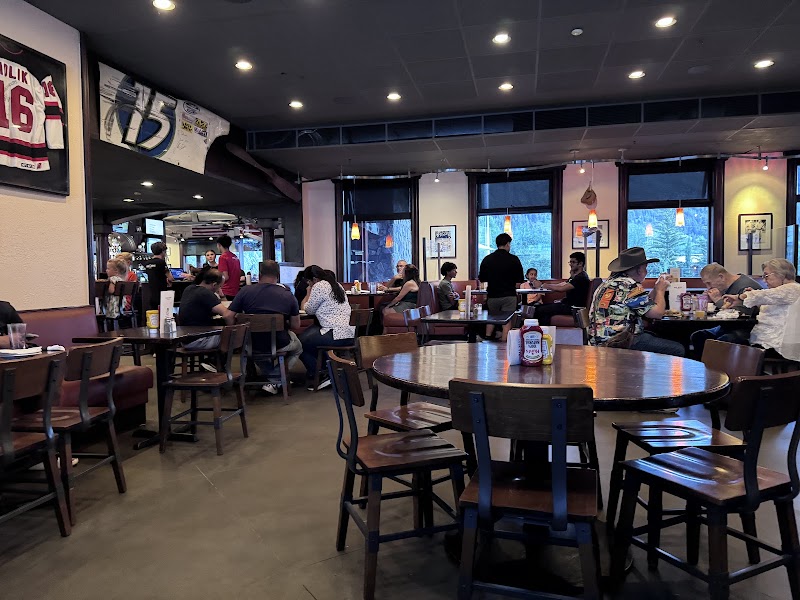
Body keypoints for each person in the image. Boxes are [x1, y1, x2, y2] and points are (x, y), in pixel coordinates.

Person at [589, 247, 684, 357]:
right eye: (645, 268)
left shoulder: (611, 282)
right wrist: (661, 290)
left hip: (601, 340)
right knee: (678, 349)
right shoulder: (629, 285)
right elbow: (657, 313)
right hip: (619, 342)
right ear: (639, 270)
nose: (646, 272)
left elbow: (644, 304)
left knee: (654, 336)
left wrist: (656, 287)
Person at [229, 260, 302, 395]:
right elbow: (295, 325)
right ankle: (276, 378)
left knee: (253, 349)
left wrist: (238, 329)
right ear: (278, 275)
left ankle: (272, 379)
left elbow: (228, 316)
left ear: (259, 274)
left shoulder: (245, 291)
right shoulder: (287, 294)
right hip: (279, 342)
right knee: (298, 348)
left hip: (251, 343)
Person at [720, 258, 800, 360]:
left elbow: (763, 295)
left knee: (727, 342)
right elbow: (767, 302)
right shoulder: (780, 292)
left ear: (781, 274)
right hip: (765, 341)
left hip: (776, 345)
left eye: (766, 276)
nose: (764, 280)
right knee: (726, 340)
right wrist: (747, 298)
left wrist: (740, 296)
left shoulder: (793, 288)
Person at [689, 262, 762, 358]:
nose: (708, 287)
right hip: (727, 327)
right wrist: (710, 301)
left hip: (746, 329)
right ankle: (704, 365)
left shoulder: (745, 287)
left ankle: (719, 366)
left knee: (721, 341)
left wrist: (717, 300)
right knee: (698, 336)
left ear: (721, 277)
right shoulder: (725, 286)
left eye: (709, 283)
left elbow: (740, 316)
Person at [300, 265, 355, 390]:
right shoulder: (337, 285)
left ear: (314, 279)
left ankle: (321, 375)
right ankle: (328, 371)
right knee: (309, 337)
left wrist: (308, 292)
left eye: (308, 281)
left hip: (334, 333)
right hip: (348, 333)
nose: (308, 284)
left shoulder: (319, 286)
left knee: (300, 344)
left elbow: (308, 309)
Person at [478, 233, 524, 342]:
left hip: (493, 295)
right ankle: (504, 345)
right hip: (509, 295)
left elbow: (482, 279)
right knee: (506, 321)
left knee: (491, 318)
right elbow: (519, 281)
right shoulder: (514, 259)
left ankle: (487, 339)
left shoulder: (487, 259)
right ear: (507, 244)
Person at [179, 269, 236, 351]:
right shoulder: (206, 293)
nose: (219, 289)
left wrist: (221, 295)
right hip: (200, 340)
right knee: (235, 337)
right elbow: (227, 315)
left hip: (185, 339)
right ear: (214, 285)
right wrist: (233, 330)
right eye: (220, 286)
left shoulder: (189, 289)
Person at [535, 252, 590, 324]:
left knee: (540, 309)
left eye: (573, 262)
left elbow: (562, 289)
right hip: (568, 305)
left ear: (580, 264)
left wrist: (543, 285)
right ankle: (546, 329)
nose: (571, 264)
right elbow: (561, 285)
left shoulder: (581, 277)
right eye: (570, 262)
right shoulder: (576, 277)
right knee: (540, 308)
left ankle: (542, 329)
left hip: (574, 308)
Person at [142, 242, 173, 311]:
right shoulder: (161, 262)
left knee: (154, 312)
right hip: (162, 293)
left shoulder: (147, 263)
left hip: (151, 294)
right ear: (163, 251)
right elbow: (171, 278)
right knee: (163, 313)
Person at [217, 235, 242, 301]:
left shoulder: (222, 257)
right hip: (235, 291)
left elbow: (225, 277)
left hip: (226, 291)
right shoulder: (235, 257)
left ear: (219, 245)